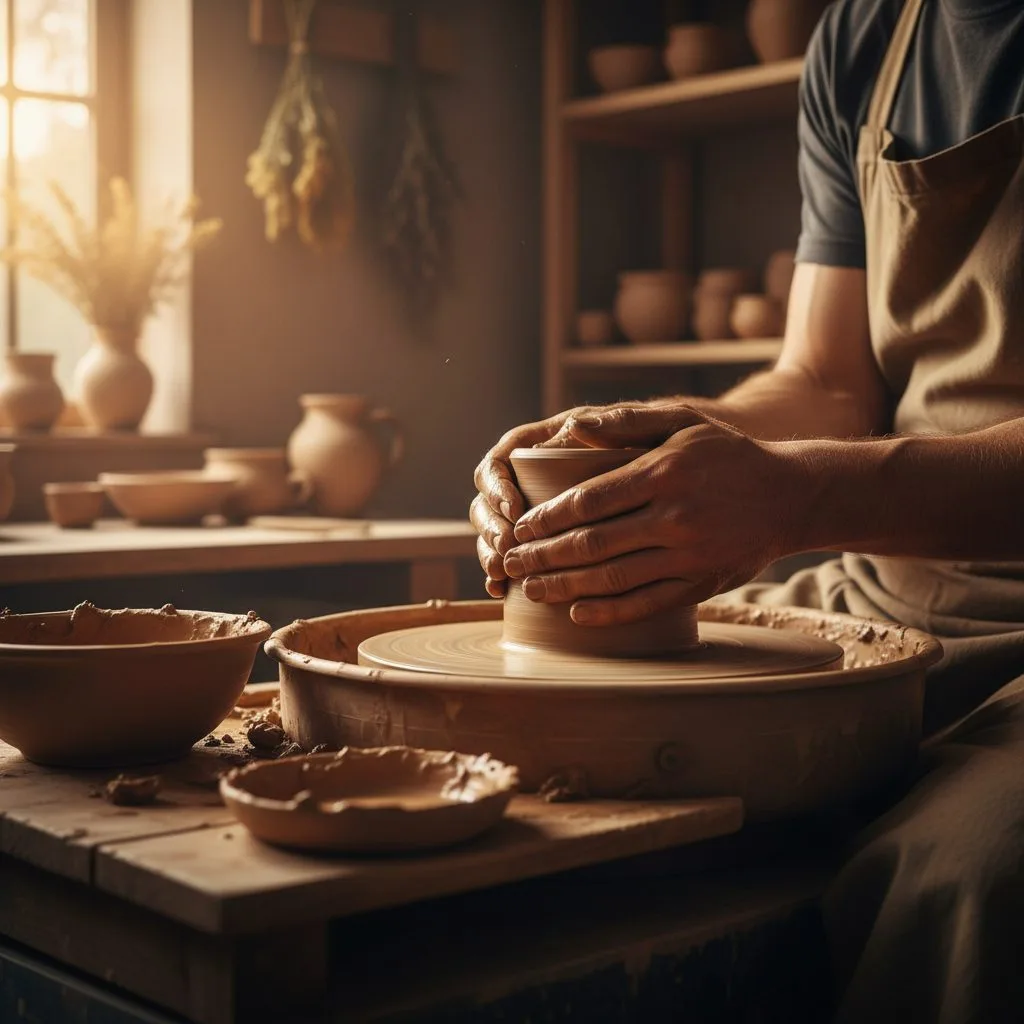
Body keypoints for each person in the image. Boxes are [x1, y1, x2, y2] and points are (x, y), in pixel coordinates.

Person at [470, 0, 1024, 1020]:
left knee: (972, 874)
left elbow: (822, 458)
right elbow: (822, 379)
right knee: (565, 789)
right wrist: (663, 437)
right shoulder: (865, 37)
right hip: (884, 580)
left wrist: (801, 491)